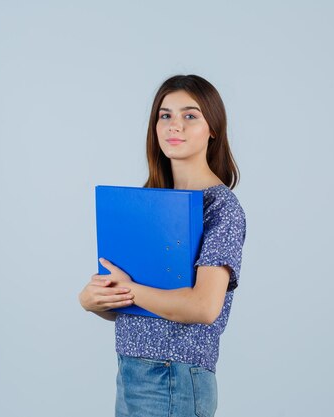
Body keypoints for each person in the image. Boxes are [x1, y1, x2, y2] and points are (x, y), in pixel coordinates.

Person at [78, 74, 246, 417]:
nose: (175, 126)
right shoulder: (147, 205)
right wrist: (96, 300)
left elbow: (203, 307)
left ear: (213, 128)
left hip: (173, 375)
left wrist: (130, 290)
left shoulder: (220, 207)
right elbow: (141, 301)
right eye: (165, 115)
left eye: (190, 115)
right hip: (131, 372)